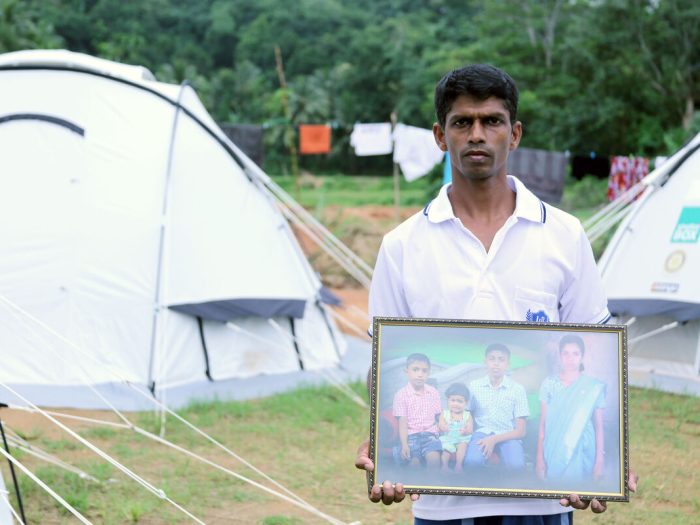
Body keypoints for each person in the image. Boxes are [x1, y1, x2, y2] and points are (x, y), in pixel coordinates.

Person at [355, 63, 638, 523]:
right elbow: (384, 364)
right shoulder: (402, 245)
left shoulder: (564, 234)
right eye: (462, 122)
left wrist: (604, 466)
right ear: (440, 137)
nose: (477, 134)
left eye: (492, 121)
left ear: (515, 133)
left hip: (542, 501)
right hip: (442, 503)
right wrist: (380, 444)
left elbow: (595, 352)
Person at [536, 335, 606, 481]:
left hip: (583, 448)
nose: (570, 358)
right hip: (554, 449)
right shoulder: (549, 384)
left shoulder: (593, 387)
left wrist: (599, 460)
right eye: (566, 353)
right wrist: (539, 459)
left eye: (575, 353)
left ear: (582, 357)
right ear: (560, 356)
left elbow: (599, 426)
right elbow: (543, 425)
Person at [465, 344, 528, 469]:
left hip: (508, 435)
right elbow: (467, 414)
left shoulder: (518, 389)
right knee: (472, 461)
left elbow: (521, 431)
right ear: (485, 362)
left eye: (501, 359)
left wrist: (493, 439)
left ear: (507, 364)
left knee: (517, 465)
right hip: (482, 433)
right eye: (492, 359)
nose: (496, 363)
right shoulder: (474, 386)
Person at [392, 353, 443, 468]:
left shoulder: (433, 392)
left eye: (424, 371)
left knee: (434, 461)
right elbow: (403, 423)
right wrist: (405, 445)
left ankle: (433, 484)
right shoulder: (401, 395)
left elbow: (439, 416)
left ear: (428, 373)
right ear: (407, 372)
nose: (420, 374)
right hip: (411, 436)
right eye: (415, 370)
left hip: (430, 435)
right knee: (414, 464)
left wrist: (443, 424)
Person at [438, 382, 473, 472]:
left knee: (462, 446)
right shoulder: (445, 413)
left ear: (466, 402)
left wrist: (465, 431)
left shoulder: (467, 415)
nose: (456, 404)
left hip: (461, 438)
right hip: (448, 438)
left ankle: (458, 464)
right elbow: (440, 425)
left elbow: (470, 429)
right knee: (446, 450)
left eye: (460, 401)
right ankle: (444, 466)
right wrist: (443, 427)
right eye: (453, 400)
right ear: (448, 400)